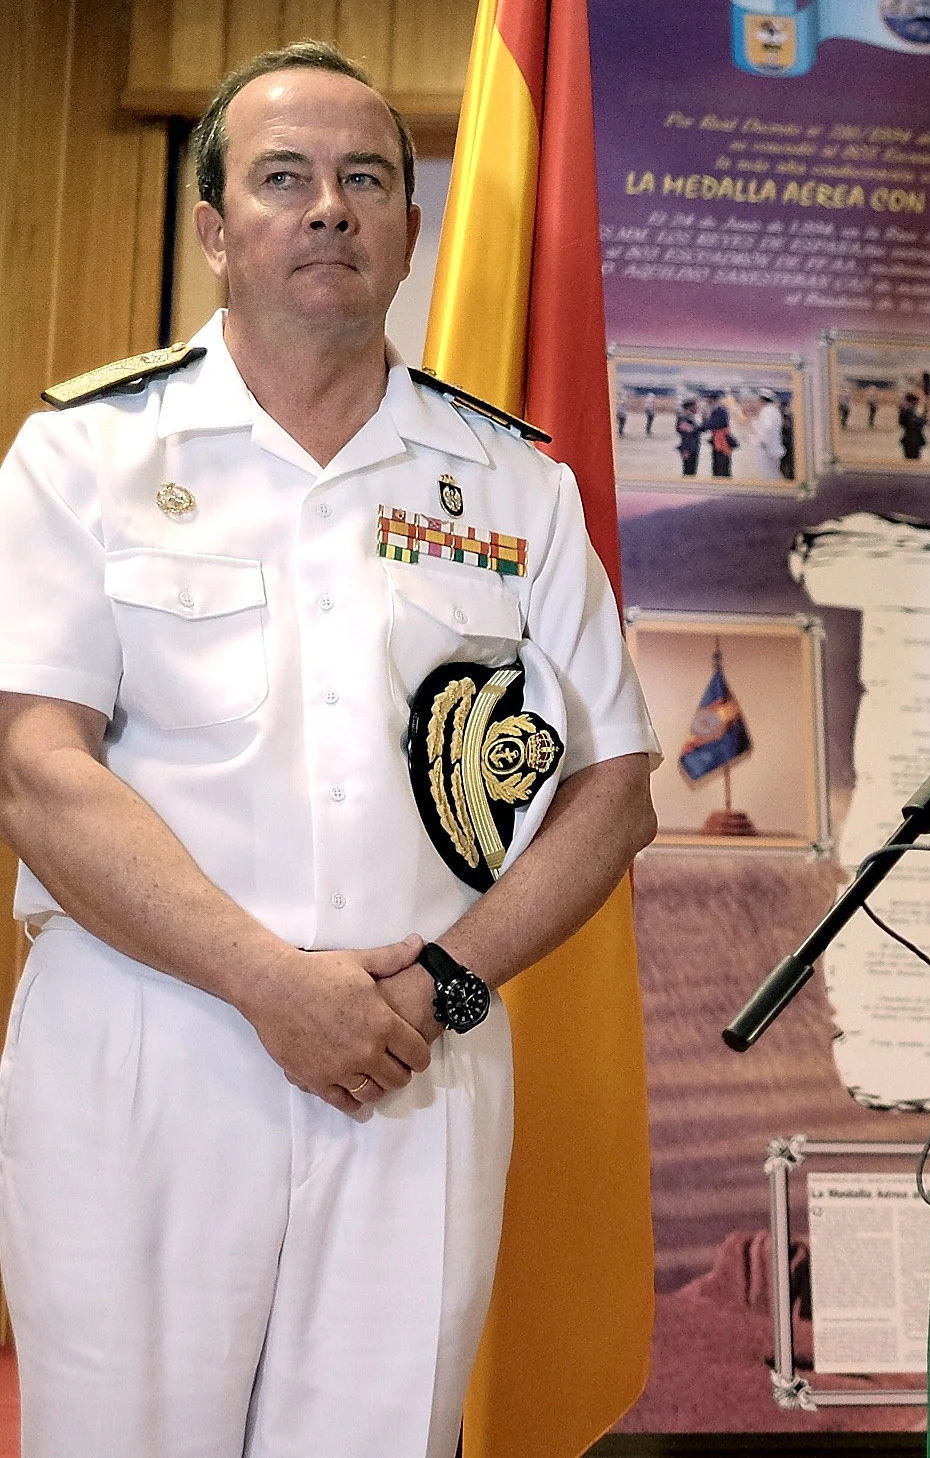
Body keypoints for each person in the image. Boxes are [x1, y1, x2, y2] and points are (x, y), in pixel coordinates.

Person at [0, 42, 660, 1458]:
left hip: (414, 1049)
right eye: (283, 179)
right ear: (213, 231)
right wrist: (267, 983)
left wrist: (439, 979)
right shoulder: (84, 455)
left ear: (412, 232)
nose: (329, 209)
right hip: (149, 1039)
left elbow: (613, 787)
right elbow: (35, 766)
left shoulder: (515, 486)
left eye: (366, 179)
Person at [751, 389, 787, 480]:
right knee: (774, 472)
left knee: (768, 474)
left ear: (762, 400)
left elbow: (767, 427)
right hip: (774, 447)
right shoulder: (775, 410)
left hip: (767, 449)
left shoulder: (766, 411)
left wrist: (762, 442)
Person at [703, 390, 735, 477]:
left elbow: (712, 424)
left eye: (708, 400)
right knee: (719, 461)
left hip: (721, 439)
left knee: (721, 463)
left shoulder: (718, 410)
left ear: (712, 400)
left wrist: (697, 429)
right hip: (718, 438)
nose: (706, 402)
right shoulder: (718, 409)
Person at [675, 393, 703, 475]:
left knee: (691, 470)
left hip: (693, 447)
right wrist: (685, 450)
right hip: (688, 448)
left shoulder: (689, 417)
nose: (697, 408)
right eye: (695, 406)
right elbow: (687, 434)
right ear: (690, 407)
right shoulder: (684, 418)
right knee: (689, 471)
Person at [897, 391, 928, 460]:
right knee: (912, 459)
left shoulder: (909, 411)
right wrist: (924, 419)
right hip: (912, 439)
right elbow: (913, 423)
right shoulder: (906, 412)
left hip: (914, 439)